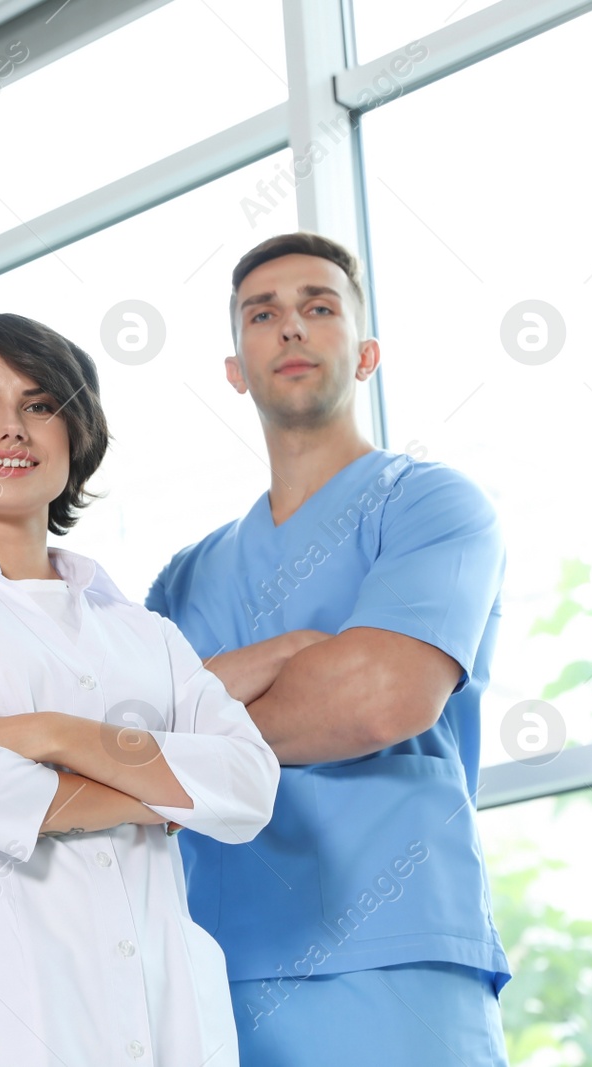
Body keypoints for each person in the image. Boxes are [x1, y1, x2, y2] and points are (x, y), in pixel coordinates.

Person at [0, 313, 280, 1067]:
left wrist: (52, 732)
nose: (12, 427)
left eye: (40, 404)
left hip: (164, 1017)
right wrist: (165, 791)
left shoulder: (146, 633)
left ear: (75, 435)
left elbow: (249, 784)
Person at [146, 232, 510, 1064]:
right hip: (216, 968)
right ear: (235, 367)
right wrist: (302, 658)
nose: (292, 329)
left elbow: (382, 695)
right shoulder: (183, 579)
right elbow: (120, 732)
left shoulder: (431, 505)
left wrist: (199, 715)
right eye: (262, 315)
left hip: (399, 950)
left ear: (367, 351)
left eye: (319, 307)